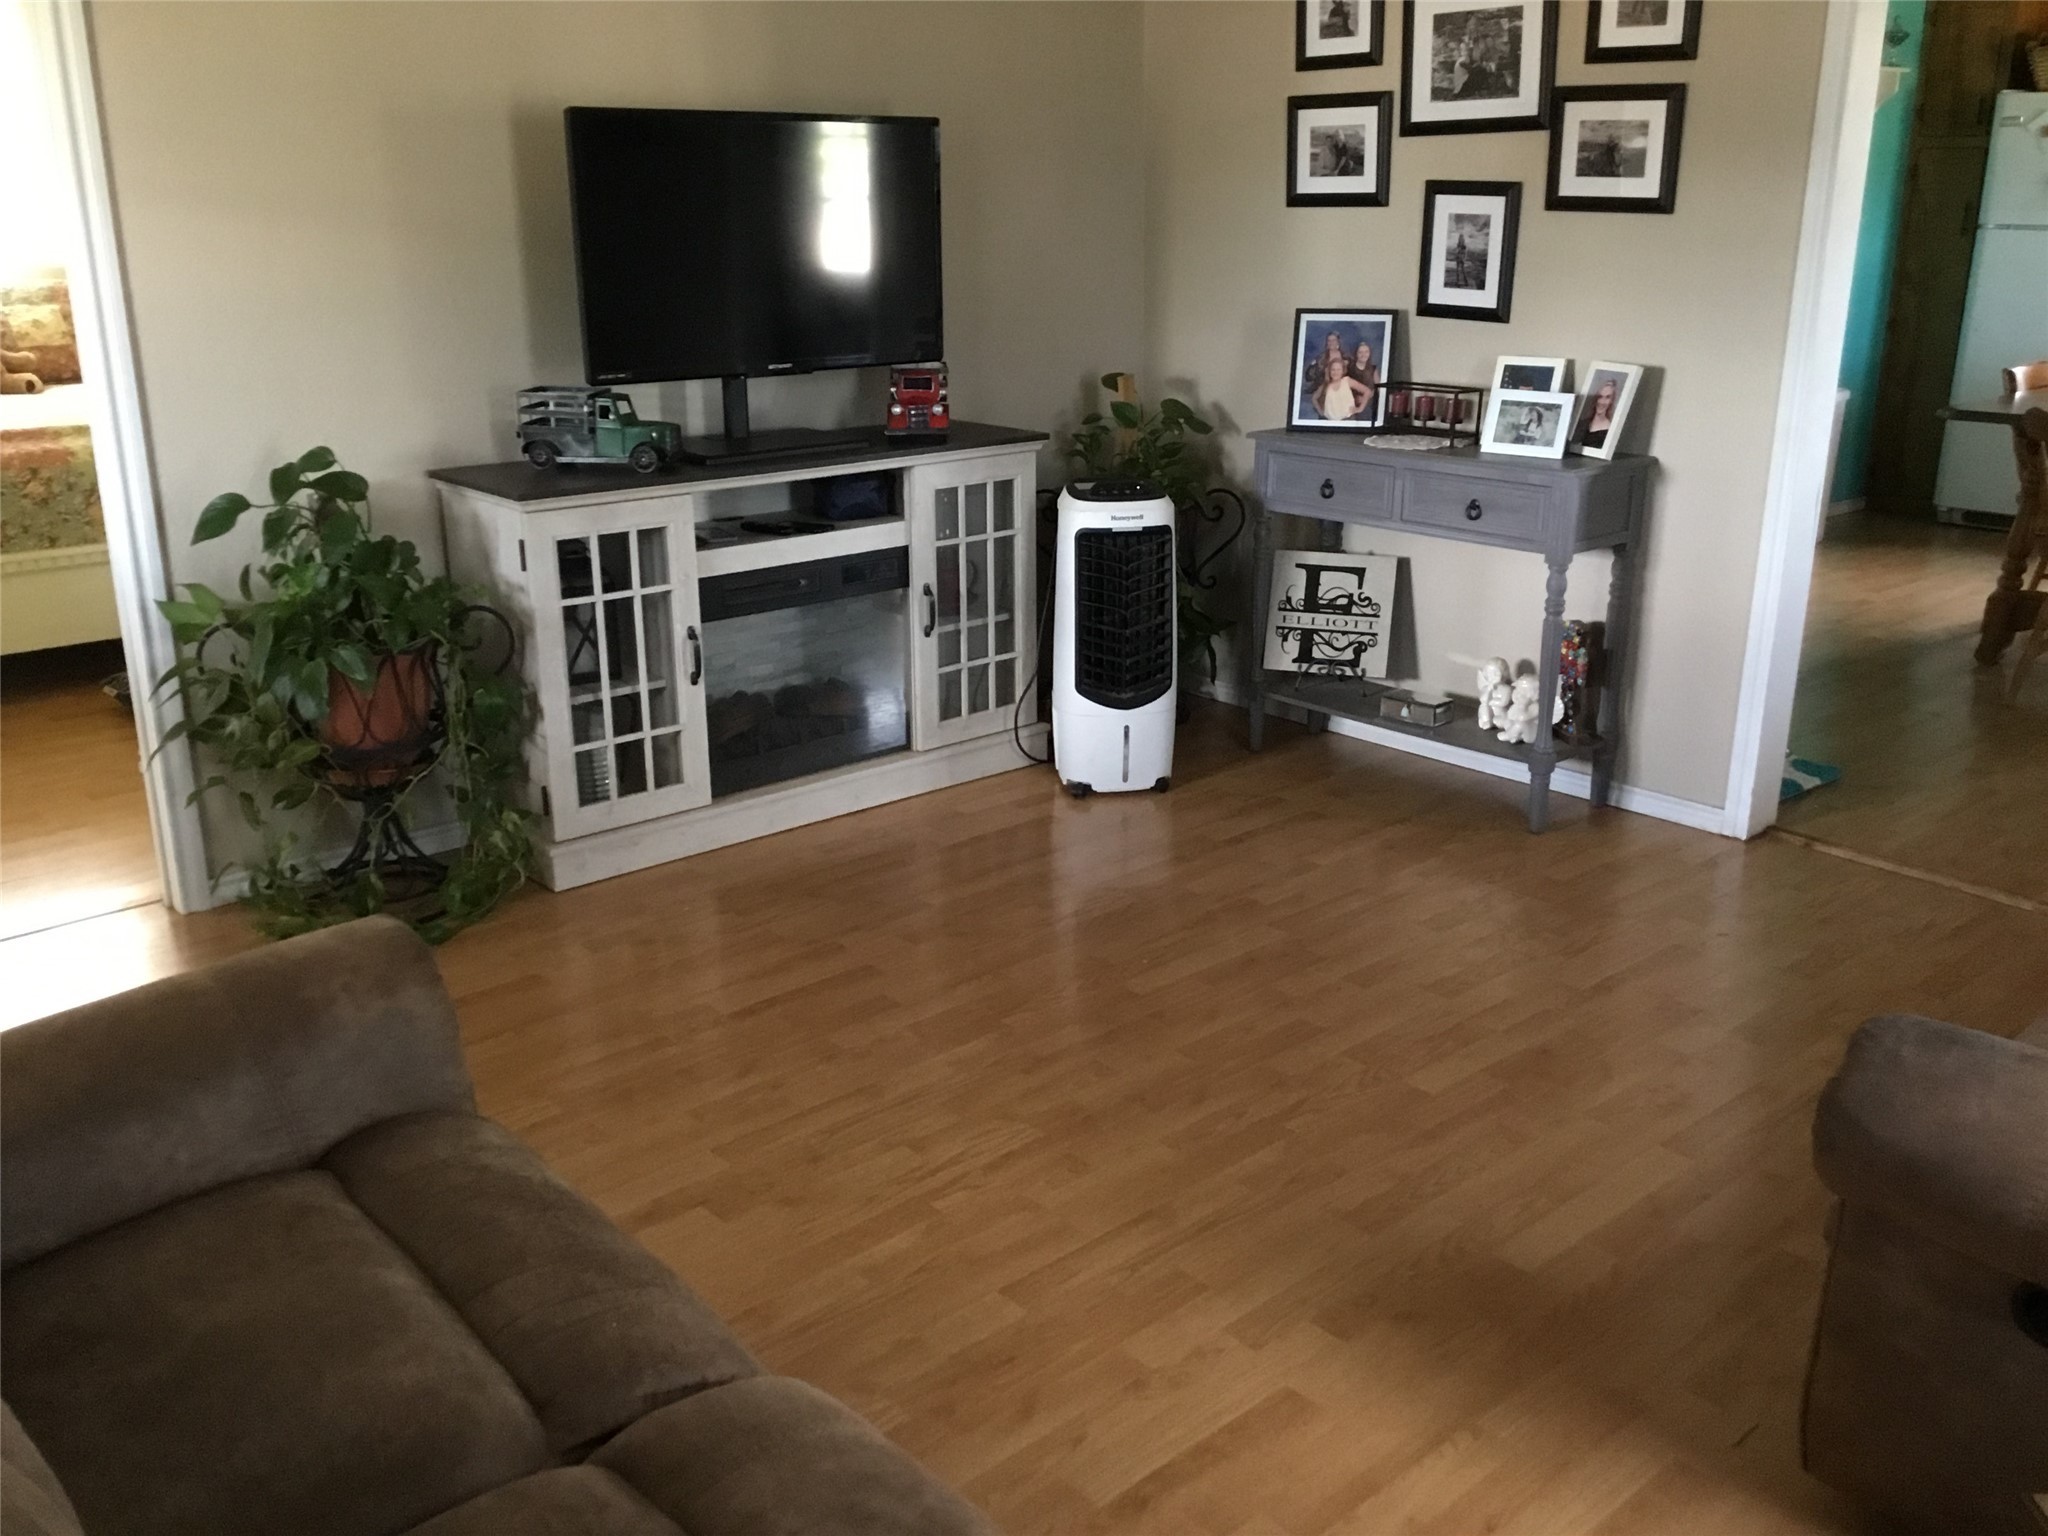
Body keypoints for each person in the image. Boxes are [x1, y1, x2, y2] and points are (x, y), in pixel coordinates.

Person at [1312, 352, 1372, 422]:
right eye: (1333, 370)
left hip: (1348, 420)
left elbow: (1367, 391)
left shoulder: (1347, 381)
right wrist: (1320, 412)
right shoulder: (1326, 385)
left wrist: (1360, 408)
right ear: (1329, 371)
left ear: (1343, 371)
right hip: (1331, 422)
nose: (1335, 372)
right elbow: (1314, 398)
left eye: (1338, 370)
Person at [1576, 377, 1619, 449]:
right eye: (1600, 397)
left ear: (1612, 401)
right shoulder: (1582, 424)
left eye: (1607, 397)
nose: (1602, 402)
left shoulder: (1611, 430)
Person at [1347, 339, 1380, 419]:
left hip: (1369, 403)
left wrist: (1366, 397)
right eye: (1360, 352)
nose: (1363, 354)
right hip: (1351, 402)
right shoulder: (1349, 368)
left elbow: (1378, 388)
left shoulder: (1373, 369)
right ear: (1356, 354)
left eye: (1366, 352)